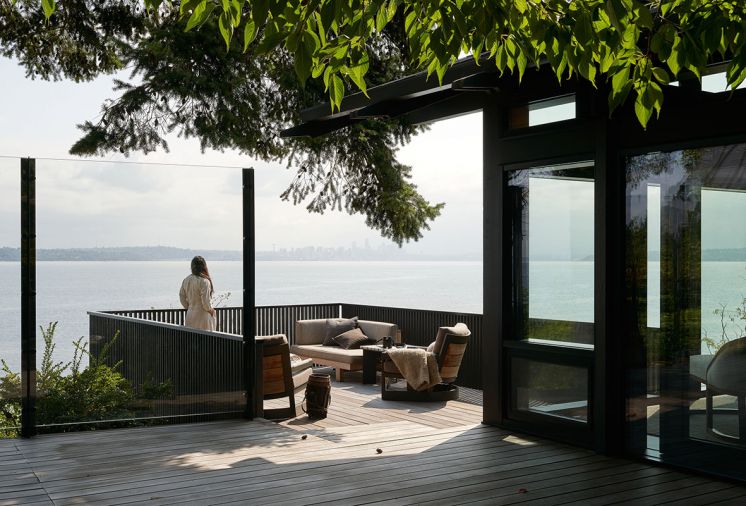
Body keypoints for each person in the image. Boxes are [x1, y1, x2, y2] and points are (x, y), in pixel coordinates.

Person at [179, 256, 216, 331]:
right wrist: (211, 310)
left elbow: (181, 296)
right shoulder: (204, 281)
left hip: (190, 315)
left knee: (192, 340)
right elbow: (205, 302)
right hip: (203, 316)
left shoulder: (186, 280)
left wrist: (189, 307)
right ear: (204, 266)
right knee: (206, 340)